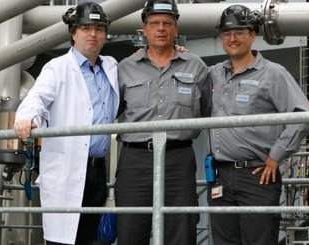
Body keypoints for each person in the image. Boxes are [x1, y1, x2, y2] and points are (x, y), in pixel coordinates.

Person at [206, 4, 309, 245]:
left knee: (259, 240)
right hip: (219, 175)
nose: (232, 38)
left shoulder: (273, 74)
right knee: (223, 241)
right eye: (226, 33)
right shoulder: (213, 74)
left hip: (257, 176)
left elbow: (303, 115)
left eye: (240, 32)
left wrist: (276, 155)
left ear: (252, 36)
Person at [13, 2, 119, 245]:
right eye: (86, 28)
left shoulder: (110, 66)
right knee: (62, 241)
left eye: (99, 28)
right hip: (68, 169)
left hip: (96, 170)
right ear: (73, 33)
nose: (93, 34)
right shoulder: (57, 68)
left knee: (90, 239)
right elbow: (37, 97)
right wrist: (25, 118)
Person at [114, 0, 210, 244]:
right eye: (154, 23)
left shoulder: (196, 67)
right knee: (130, 231)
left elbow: (208, 110)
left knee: (181, 230)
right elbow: (110, 112)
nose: (161, 28)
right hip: (135, 160)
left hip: (178, 160)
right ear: (144, 29)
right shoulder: (124, 68)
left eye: (167, 23)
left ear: (176, 30)